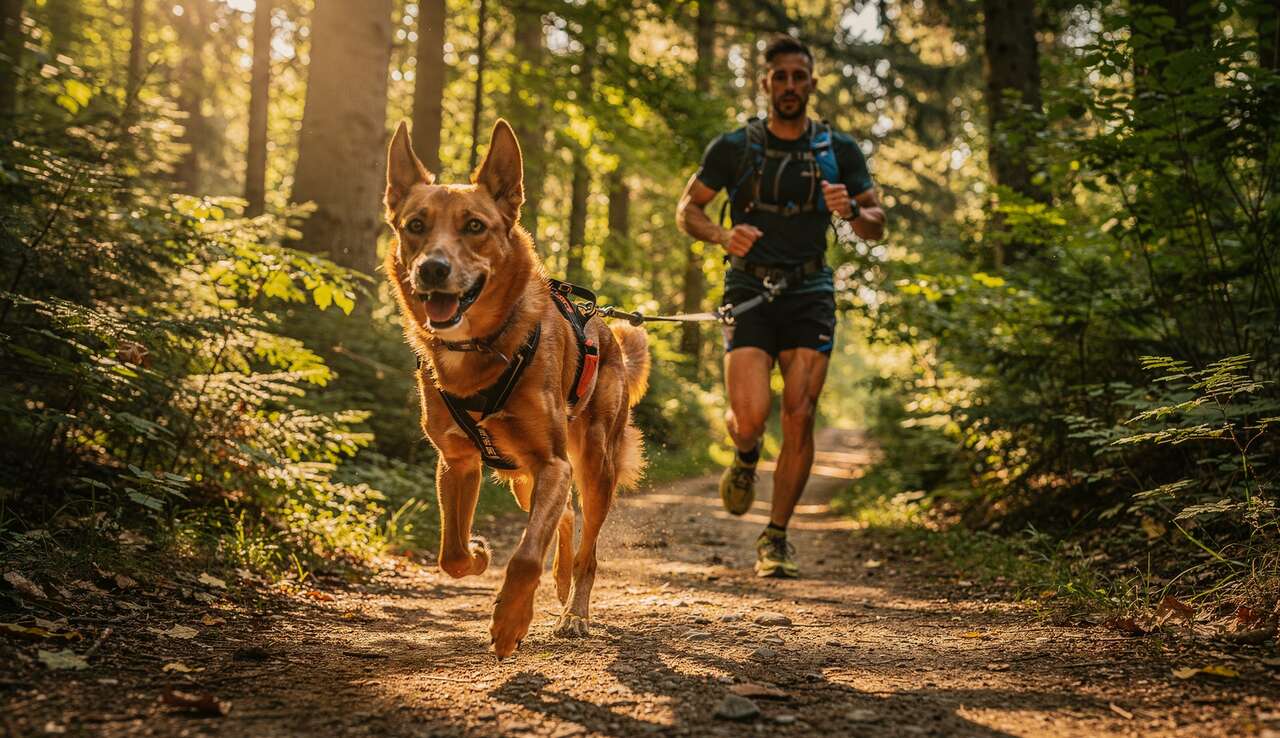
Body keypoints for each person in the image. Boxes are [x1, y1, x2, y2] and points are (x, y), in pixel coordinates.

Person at [675, 34, 886, 578]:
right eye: (781, 77)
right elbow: (687, 210)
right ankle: (746, 457)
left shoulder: (840, 151)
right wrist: (723, 237)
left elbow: (875, 223)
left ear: (812, 84)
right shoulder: (734, 147)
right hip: (748, 290)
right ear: (766, 83)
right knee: (749, 420)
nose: (790, 85)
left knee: (800, 415)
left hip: (810, 290)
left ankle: (776, 536)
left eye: (799, 76)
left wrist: (851, 212)